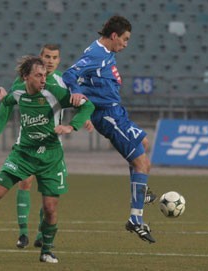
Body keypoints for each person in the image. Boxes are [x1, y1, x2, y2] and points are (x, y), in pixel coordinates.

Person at [0, 56, 95, 263]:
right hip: (23, 154)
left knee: (50, 208)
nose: (43, 80)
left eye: (45, 75)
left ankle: (46, 251)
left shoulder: (54, 92)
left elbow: (87, 106)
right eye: (39, 75)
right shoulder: (18, 91)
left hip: (51, 156)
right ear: (26, 77)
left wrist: (71, 126)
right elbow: (6, 104)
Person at [62, 15, 157, 243]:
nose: (126, 44)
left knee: (144, 145)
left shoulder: (106, 52)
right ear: (114, 36)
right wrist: (77, 92)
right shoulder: (96, 54)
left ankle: (139, 192)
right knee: (141, 162)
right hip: (108, 115)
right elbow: (69, 74)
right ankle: (135, 219)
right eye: (124, 39)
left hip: (116, 111)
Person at [0, 44, 91, 249]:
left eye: (54, 57)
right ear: (40, 58)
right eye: (47, 57)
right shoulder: (25, 80)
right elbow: (7, 105)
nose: (50, 61)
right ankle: (23, 233)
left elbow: (79, 101)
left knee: (48, 192)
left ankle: (41, 234)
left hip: (53, 144)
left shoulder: (64, 80)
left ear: (59, 60)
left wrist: (83, 121)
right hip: (27, 143)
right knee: (24, 183)